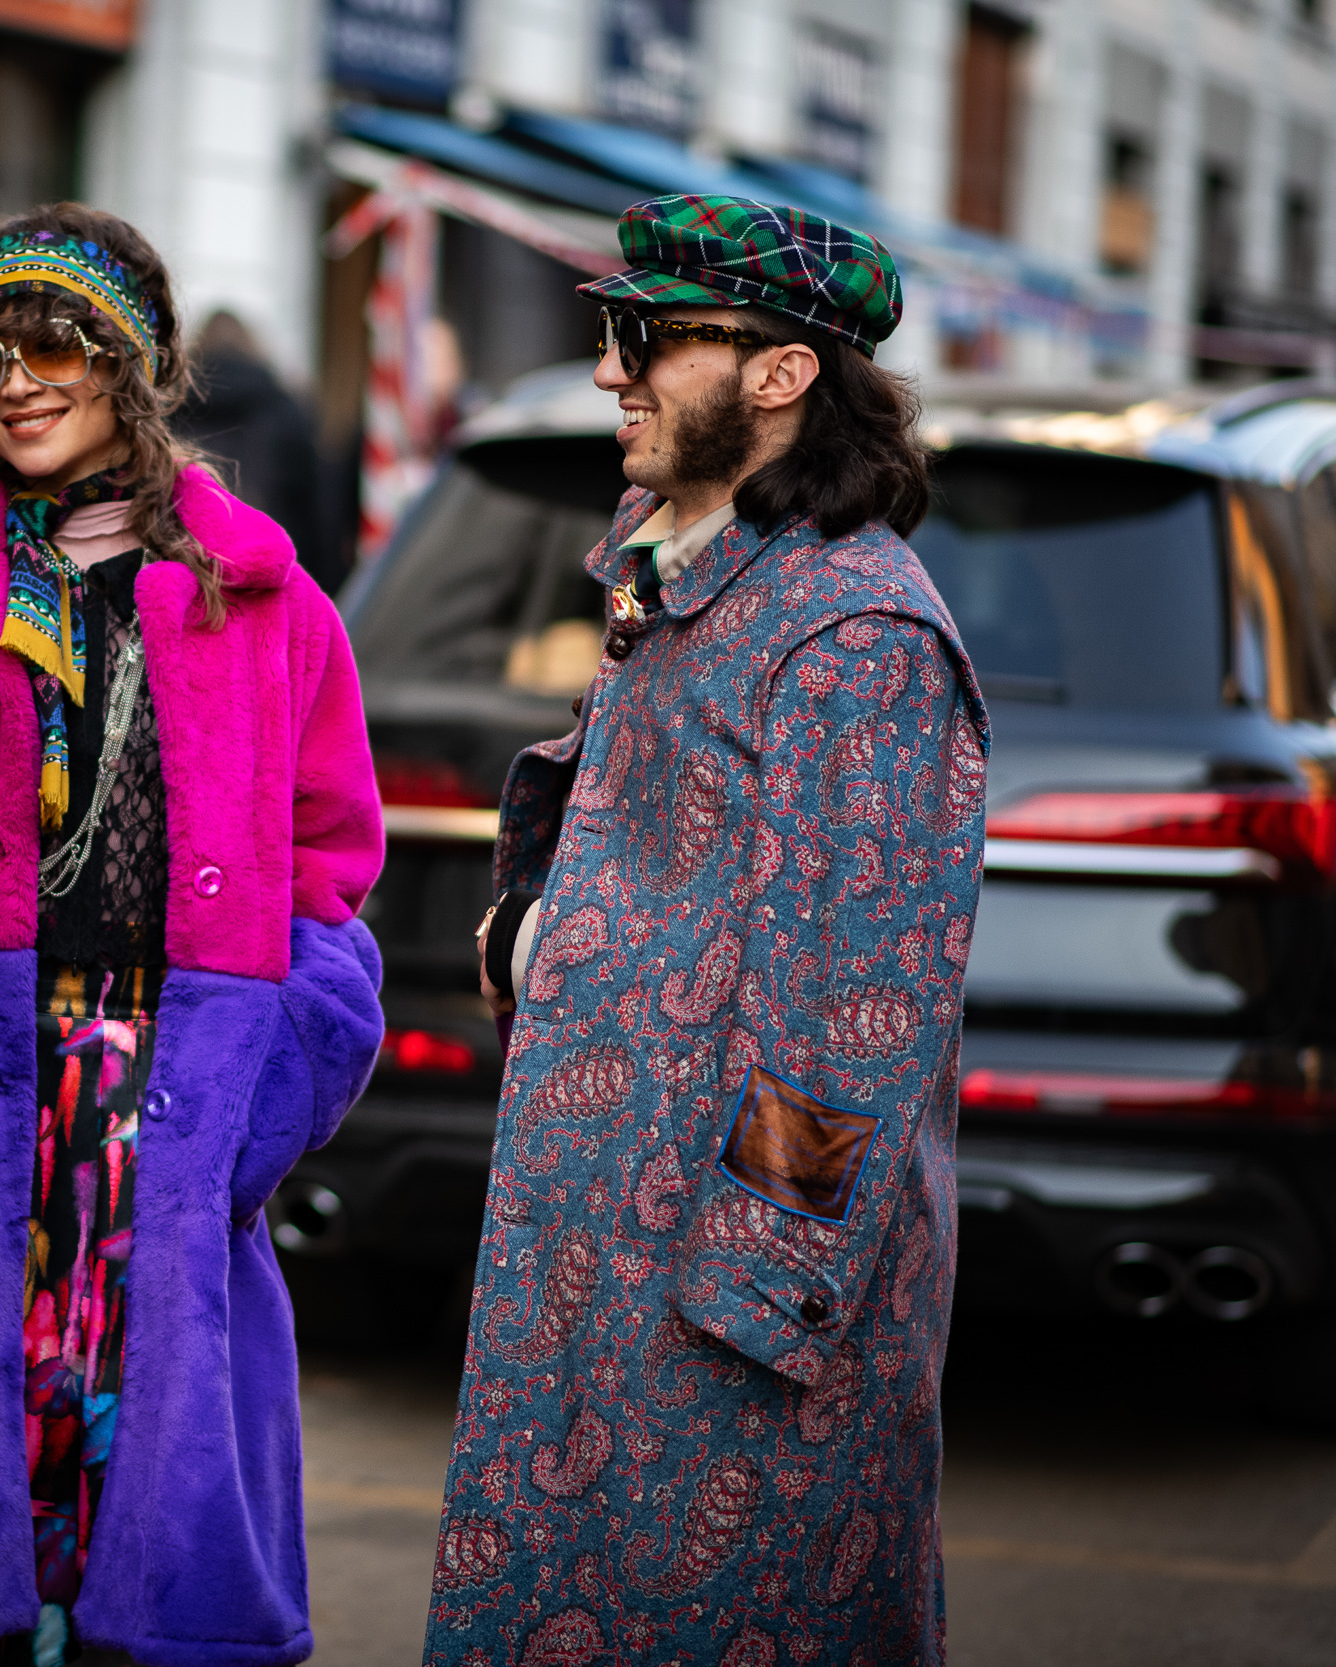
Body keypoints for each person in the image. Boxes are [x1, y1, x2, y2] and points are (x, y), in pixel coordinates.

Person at [424, 196, 988, 1667]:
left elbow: (848, 1035)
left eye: (648, 337)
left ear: (782, 373)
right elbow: (626, 804)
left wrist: (747, 1298)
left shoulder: (857, 636)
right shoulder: (694, 571)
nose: (613, 370)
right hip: (598, 1256)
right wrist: (529, 922)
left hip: (715, 1319)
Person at [0, 205, 385, 1667]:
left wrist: (267, 1096)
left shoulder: (267, 596)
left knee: (149, 1478)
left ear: (139, 364)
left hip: (171, 1099)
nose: (18, 380)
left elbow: (331, 865)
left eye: (57, 344)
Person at [171, 309, 332, 590]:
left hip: (192, 581)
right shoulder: (285, 410)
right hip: (273, 580)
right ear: (252, 347)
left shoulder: (173, 412)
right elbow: (317, 511)